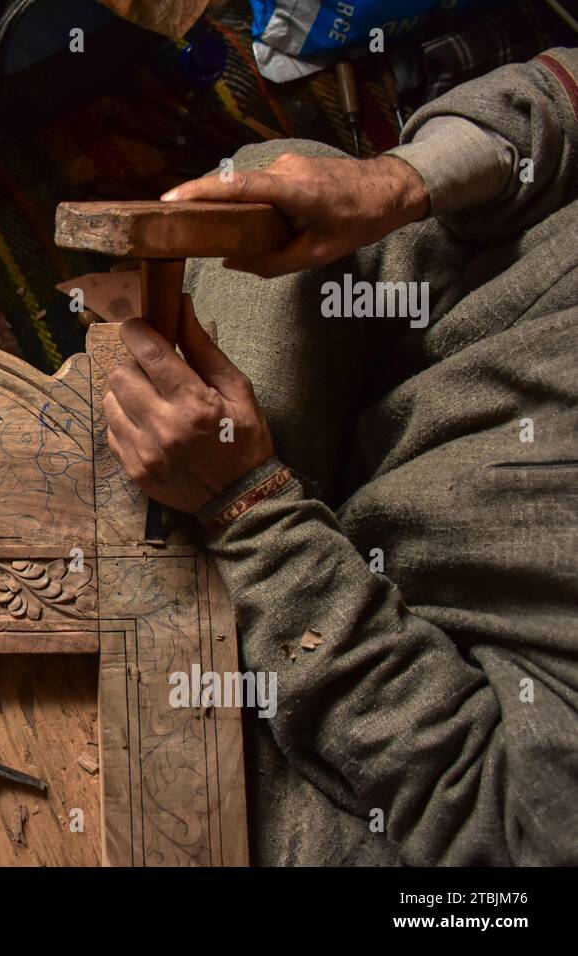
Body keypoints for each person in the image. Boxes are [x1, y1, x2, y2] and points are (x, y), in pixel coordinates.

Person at [104, 48, 578, 865]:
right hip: (431, 349)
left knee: (153, 765)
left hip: (399, 693)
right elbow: (564, 90)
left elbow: (500, 823)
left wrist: (253, 512)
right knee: (274, 186)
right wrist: (403, 180)